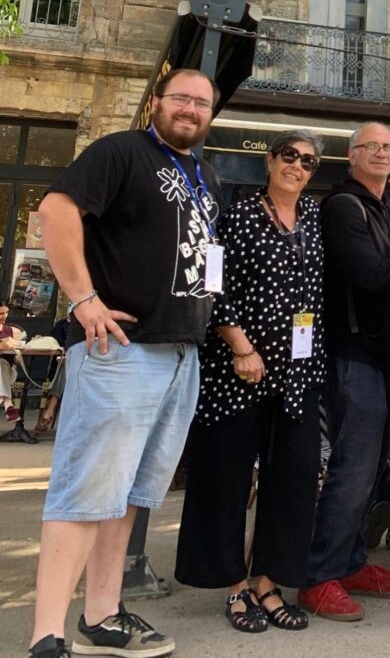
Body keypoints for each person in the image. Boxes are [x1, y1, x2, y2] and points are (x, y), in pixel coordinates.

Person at [29, 68, 220, 658]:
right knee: (86, 492)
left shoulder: (204, 175)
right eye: (181, 98)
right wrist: (83, 300)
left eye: (202, 103)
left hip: (180, 353)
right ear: (158, 103)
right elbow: (56, 210)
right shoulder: (121, 152)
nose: (190, 109)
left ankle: (102, 617)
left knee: (131, 496)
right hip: (122, 353)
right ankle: (47, 635)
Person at [175, 129, 326, 633]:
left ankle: (269, 582)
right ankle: (233, 586)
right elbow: (211, 283)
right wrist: (240, 346)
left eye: (307, 161)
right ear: (269, 161)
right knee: (226, 478)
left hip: (297, 372)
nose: (297, 166)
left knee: (295, 476)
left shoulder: (313, 219)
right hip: (238, 369)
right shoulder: (236, 215)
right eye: (289, 156)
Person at [299, 122, 390, 621]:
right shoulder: (343, 207)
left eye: (389, 147)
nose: (382, 153)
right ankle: (318, 576)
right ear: (351, 156)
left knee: (371, 468)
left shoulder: (379, 209)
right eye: (372, 146)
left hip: (381, 355)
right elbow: (371, 274)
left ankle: (349, 563)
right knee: (352, 468)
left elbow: (386, 269)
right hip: (351, 354)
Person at [0, 300, 25, 423]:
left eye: (6, 312)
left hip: (9, 371)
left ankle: (7, 403)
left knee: (1, 363)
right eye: (1, 313)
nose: (4, 316)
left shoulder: (13, 331)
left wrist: (15, 346)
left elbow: (18, 360)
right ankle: (8, 404)